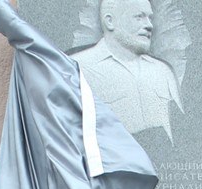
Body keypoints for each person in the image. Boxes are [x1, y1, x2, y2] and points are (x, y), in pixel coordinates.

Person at [70, 0, 183, 140]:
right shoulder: (77, 69)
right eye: (139, 17)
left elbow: (180, 133)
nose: (149, 25)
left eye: (149, 18)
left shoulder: (163, 72)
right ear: (110, 21)